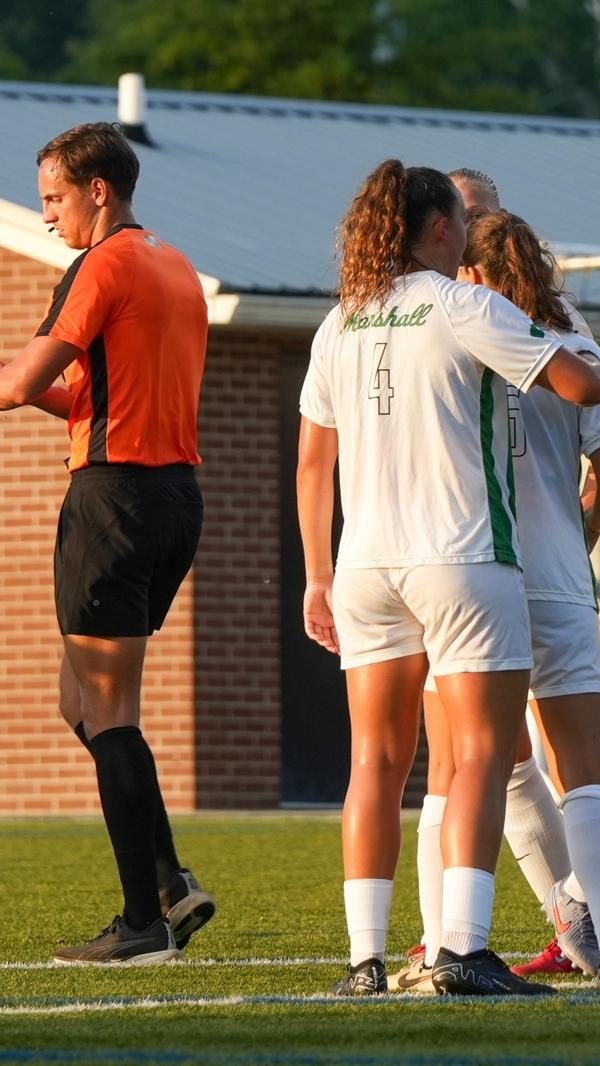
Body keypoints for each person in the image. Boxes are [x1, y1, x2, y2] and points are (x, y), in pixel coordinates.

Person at [296, 160, 600, 996]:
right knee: (478, 754)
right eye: (462, 224)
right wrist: (535, 333)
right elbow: (584, 384)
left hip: (363, 566)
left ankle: (364, 961)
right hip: (462, 558)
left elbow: (312, 462)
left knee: (374, 760)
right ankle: (462, 950)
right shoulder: (466, 304)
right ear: (439, 227)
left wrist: (316, 577)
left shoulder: (339, 320)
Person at [399, 208, 600, 993]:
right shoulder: (576, 344)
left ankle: (438, 948)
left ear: (473, 273)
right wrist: (571, 531)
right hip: (558, 576)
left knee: (456, 767)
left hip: (471, 574)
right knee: (584, 772)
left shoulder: (451, 337)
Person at [0, 122, 212, 964]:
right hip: (174, 501)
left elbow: (23, 380)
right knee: (80, 701)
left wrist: (15, 381)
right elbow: (87, 393)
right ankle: (167, 881)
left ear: (98, 190)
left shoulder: (102, 263)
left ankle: (143, 924)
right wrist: (30, 386)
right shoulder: (175, 263)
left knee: (110, 709)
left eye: (54, 197)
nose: (47, 214)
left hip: (115, 499)